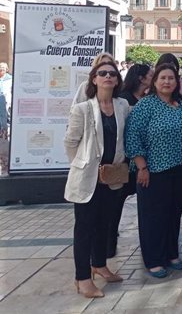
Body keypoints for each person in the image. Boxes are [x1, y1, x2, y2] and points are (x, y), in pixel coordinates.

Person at [64, 61, 130, 298]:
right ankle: (82, 278)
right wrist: (83, 163)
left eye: (112, 73)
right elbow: (71, 143)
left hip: (112, 177)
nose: (108, 77)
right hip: (88, 178)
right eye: (102, 73)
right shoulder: (82, 109)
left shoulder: (122, 106)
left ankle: (99, 264)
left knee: (105, 223)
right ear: (94, 79)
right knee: (84, 228)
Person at [125, 63, 182, 278]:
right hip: (153, 171)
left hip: (180, 168)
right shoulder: (146, 106)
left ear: (176, 81)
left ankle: (171, 253)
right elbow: (132, 136)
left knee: (174, 213)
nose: (167, 82)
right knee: (153, 216)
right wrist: (141, 166)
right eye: (162, 78)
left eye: (171, 78)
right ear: (154, 82)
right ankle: (154, 259)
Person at [106, 63, 153, 258]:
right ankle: (108, 243)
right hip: (124, 160)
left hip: (141, 160)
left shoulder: (147, 99)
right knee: (115, 202)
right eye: (151, 75)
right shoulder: (124, 100)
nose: (154, 77)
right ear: (141, 78)